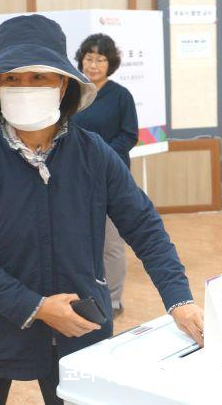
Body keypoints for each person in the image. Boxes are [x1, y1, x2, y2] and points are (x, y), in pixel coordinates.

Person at [0, 15, 203, 405]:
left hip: (78, 326)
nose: (24, 86)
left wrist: (179, 298)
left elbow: (144, 226)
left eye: (38, 77)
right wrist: (37, 307)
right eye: (12, 78)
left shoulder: (93, 153)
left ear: (63, 83)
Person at [72, 34, 138, 318]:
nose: (94, 65)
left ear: (110, 64)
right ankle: (85, 295)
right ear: (81, 61)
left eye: (100, 59)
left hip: (111, 178)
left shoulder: (121, 96)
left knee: (111, 243)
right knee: (79, 240)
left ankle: (112, 300)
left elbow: (129, 134)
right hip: (75, 178)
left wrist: (102, 157)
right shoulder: (72, 92)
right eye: (89, 58)